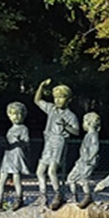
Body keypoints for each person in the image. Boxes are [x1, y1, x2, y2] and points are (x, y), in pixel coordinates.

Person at [34, 79, 79, 209]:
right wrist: (41, 86)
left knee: (51, 170)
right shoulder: (51, 109)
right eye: (56, 98)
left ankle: (58, 194)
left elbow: (76, 131)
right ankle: (42, 195)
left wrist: (66, 126)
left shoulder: (70, 115)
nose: (58, 100)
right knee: (40, 171)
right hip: (49, 140)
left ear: (68, 99)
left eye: (61, 98)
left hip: (59, 141)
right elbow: (37, 101)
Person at [0, 102, 31, 213]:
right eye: (13, 114)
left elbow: (26, 142)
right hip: (8, 154)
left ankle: (19, 198)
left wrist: (20, 141)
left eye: (19, 114)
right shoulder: (11, 129)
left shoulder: (23, 128)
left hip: (16, 154)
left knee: (16, 178)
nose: (16, 117)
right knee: (2, 178)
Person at [66, 112, 100, 208]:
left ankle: (88, 196)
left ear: (88, 123)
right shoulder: (88, 135)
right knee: (71, 178)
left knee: (84, 179)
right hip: (82, 161)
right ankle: (74, 196)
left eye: (83, 122)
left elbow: (95, 148)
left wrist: (90, 158)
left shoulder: (93, 135)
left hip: (87, 162)